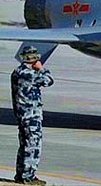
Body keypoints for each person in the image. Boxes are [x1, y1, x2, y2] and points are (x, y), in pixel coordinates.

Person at [10, 46, 53, 185]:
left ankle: (21, 174)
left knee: (24, 144)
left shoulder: (17, 72)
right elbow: (49, 80)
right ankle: (28, 176)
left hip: (23, 114)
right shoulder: (28, 74)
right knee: (33, 145)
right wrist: (41, 68)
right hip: (31, 115)